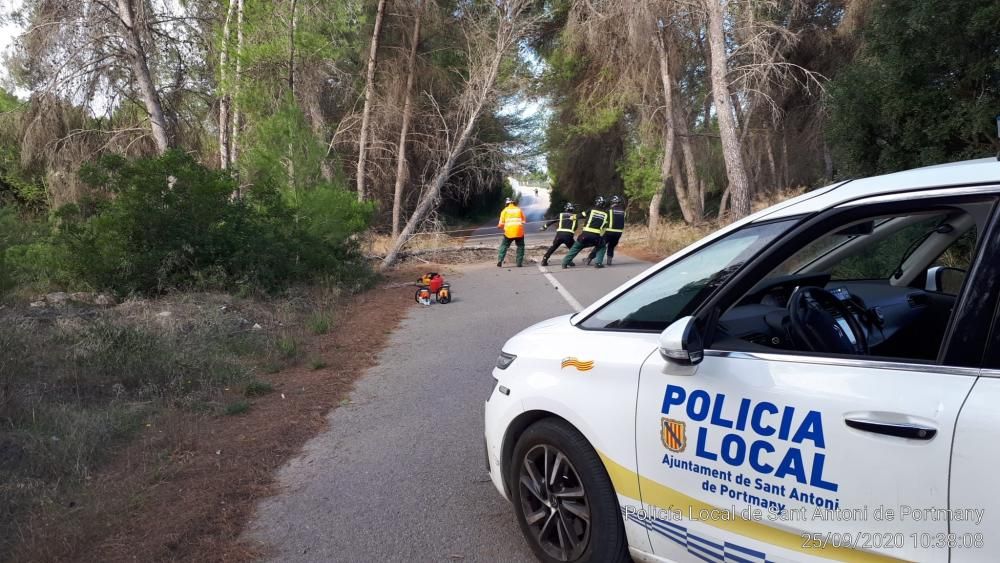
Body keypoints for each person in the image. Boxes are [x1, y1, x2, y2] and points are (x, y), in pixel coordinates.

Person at [562, 196, 609, 269]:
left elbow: (581, 215)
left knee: (575, 247)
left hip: (585, 235)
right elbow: (605, 225)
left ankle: (564, 263)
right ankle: (598, 263)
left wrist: (573, 217)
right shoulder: (606, 214)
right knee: (602, 246)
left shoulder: (591, 210)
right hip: (596, 237)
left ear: (596, 202)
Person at [588, 195, 625, 266]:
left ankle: (589, 259)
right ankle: (609, 261)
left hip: (609, 232)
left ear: (612, 202)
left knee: (600, 245)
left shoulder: (609, 210)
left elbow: (604, 220)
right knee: (611, 246)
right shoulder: (623, 211)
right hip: (619, 233)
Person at [540, 202, 579, 267]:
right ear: (572, 209)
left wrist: (544, 227)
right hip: (568, 235)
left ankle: (544, 260)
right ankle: (568, 261)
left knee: (553, 247)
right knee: (573, 248)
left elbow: (552, 221)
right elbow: (575, 227)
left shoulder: (560, 215)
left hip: (559, 235)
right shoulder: (574, 216)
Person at [497, 197, 526, 267]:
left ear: (506, 204)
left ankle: (500, 260)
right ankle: (519, 263)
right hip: (519, 232)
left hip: (508, 232)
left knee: (504, 246)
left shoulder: (504, 211)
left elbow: (501, 224)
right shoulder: (519, 210)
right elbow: (523, 221)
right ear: (514, 203)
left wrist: (499, 227)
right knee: (521, 246)